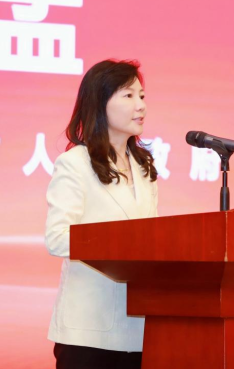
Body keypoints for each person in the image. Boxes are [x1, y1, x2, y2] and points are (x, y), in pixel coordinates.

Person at [45, 59, 159, 369]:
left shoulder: (145, 167)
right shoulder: (75, 164)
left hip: (139, 329)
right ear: (100, 103)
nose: (141, 106)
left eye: (142, 96)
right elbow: (57, 238)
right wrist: (122, 243)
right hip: (87, 331)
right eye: (128, 96)